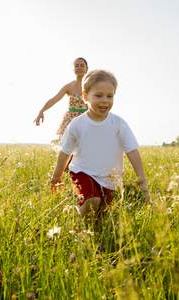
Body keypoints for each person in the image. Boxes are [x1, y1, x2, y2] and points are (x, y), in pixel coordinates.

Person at [50, 69, 151, 220]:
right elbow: (65, 152)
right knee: (92, 200)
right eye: (98, 95)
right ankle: (79, 228)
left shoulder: (119, 124)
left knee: (101, 217)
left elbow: (132, 152)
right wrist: (56, 176)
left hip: (110, 179)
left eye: (109, 96)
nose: (105, 100)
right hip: (82, 172)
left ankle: (92, 232)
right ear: (85, 97)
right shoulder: (77, 124)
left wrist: (142, 182)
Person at [34, 58, 89, 148]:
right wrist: (41, 111)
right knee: (69, 149)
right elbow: (54, 99)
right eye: (76, 66)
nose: (79, 68)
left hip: (87, 119)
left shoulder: (92, 86)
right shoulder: (68, 86)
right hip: (71, 121)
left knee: (86, 147)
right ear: (73, 69)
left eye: (82, 66)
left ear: (87, 69)